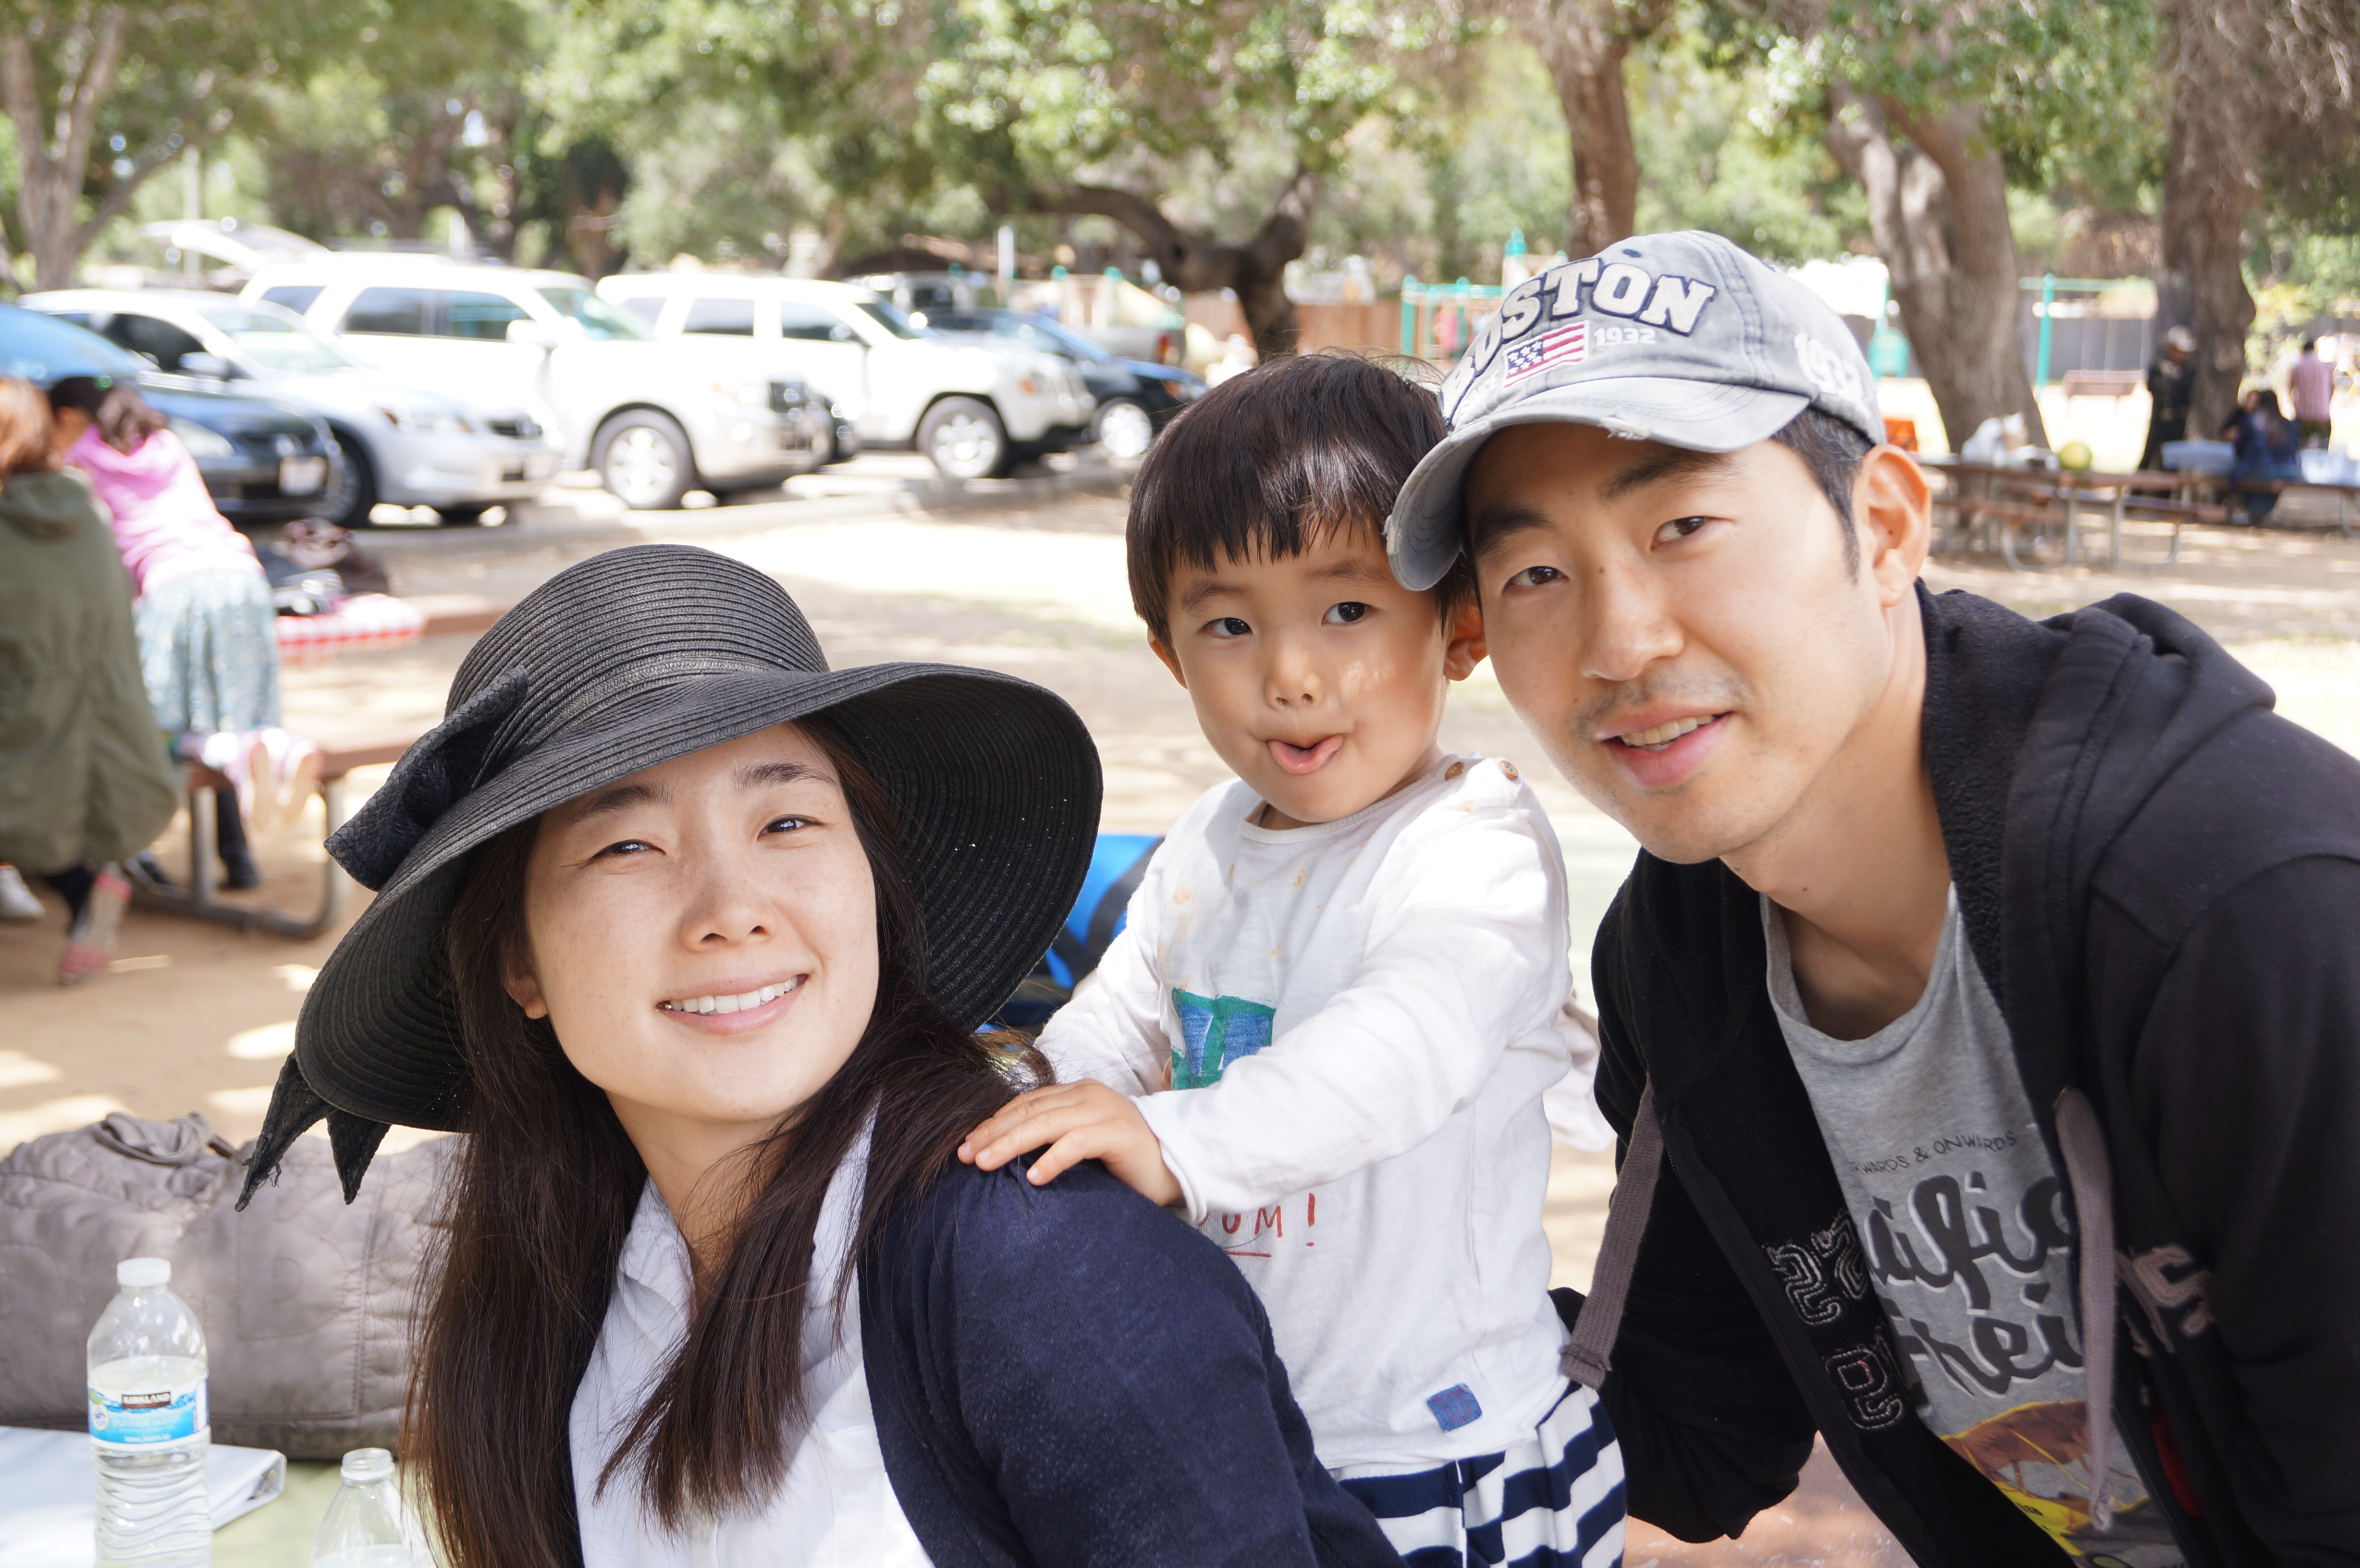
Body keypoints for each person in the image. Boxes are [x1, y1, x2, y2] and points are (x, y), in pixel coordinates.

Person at [1382, 230, 2359, 1567]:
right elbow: (1700, 1431)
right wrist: (1308, 1252)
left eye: (1682, 527)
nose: (1619, 642)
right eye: (1535, 573)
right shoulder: (1684, 948)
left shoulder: (2235, 909)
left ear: (1885, 524)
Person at [234, 543, 1406, 1568]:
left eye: (787, 821)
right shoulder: (566, 1276)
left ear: (874, 889)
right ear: (519, 964)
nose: (730, 911)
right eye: (628, 845)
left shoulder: (1046, 1270)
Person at [959, 352, 1625, 1566]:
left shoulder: (1473, 845)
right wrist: (1030, 1107)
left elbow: (1397, 1054)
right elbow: (1119, 1015)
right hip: (1244, 1425)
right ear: (1168, 653)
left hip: (1432, 1444)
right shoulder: (1209, 837)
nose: (1289, 675)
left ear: (1458, 625)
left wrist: (1169, 1141)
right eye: (1227, 625)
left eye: (1346, 610)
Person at [48, 375, 315, 890]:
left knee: (155, 723)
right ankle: (250, 824)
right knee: (234, 711)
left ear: (67, 416)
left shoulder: (77, 459)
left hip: (171, 582)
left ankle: (133, 849)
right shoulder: (166, 444)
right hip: (240, 575)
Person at [0, 377, 180, 982]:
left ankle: (82, 886)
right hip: (111, 721)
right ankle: (85, 890)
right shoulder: (87, 508)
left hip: (25, 723)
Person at [2220, 386, 2302, 522]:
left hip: (2261, 469)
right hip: (2290, 471)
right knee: (2262, 480)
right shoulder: (2289, 424)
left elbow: (2239, 449)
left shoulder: (2252, 420)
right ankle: (2258, 513)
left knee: (2235, 475)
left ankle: (2252, 512)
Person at [2137, 324, 2197, 473]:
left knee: (2172, 460)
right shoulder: (2158, 367)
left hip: (2177, 421)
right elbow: (2153, 387)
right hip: (2159, 418)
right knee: (2148, 455)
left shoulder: (2188, 372)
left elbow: (2185, 393)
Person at [2288, 338, 2335, 448]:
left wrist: (2295, 406)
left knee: (2302, 447)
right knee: (2322, 446)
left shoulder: (2297, 368)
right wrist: (2327, 403)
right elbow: (2333, 387)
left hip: (2303, 415)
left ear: (2302, 351)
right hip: (2322, 415)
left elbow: (2290, 389)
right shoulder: (2327, 367)